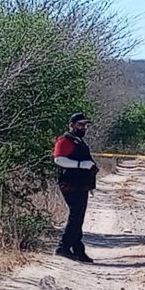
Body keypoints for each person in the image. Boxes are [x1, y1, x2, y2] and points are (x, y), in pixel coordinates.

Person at [52, 112, 98, 263]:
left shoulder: (79, 141)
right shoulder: (65, 140)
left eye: (85, 125)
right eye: (80, 125)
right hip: (70, 184)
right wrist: (80, 165)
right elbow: (59, 159)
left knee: (78, 218)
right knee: (75, 216)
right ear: (72, 125)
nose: (83, 128)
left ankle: (78, 250)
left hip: (81, 185)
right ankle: (63, 247)